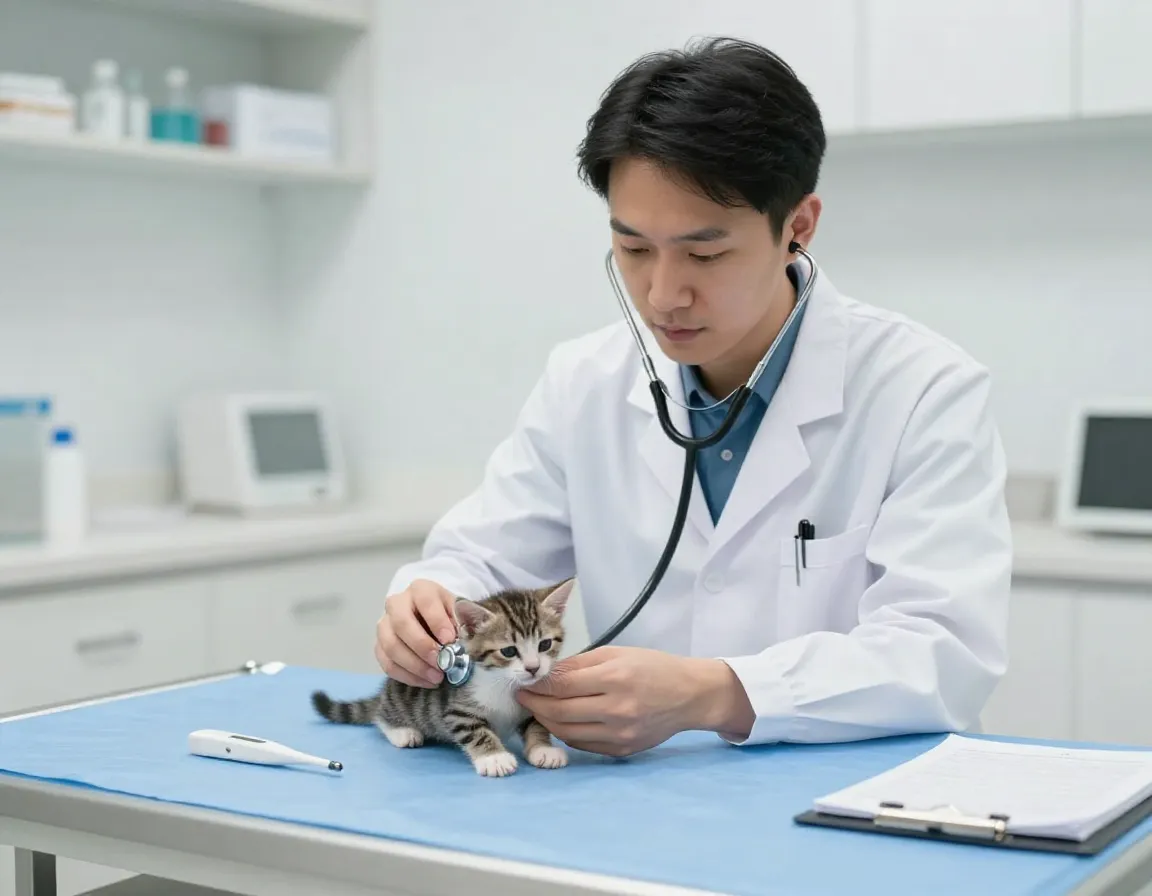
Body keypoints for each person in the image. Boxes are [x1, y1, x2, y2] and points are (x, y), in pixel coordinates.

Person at [375, 37, 1012, 756]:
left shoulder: (922, 389)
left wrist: (719, 693)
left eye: (704, 254)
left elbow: (946, 655)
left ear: (797, 228)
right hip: (646, 800)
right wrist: (426, 600)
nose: (662, 294)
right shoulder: (583, 381)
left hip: (857, 798)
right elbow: (483, 556)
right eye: (634, 248)